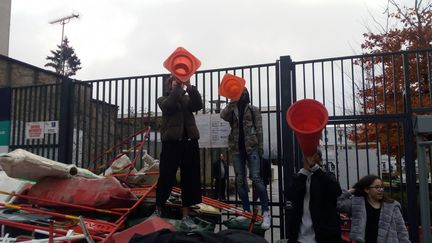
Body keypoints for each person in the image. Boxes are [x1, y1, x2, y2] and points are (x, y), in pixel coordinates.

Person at [153, 75, 203, 231]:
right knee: (166, 176)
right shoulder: (163, 99)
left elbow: (198, 104)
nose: (177, 81)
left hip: (189, 142)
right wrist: (177, 89)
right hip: (171, 143)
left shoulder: (187, 99)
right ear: (169, 85)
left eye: (179, 79)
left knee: (189, 178)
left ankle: (186, 215)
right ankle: (158, 210)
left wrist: (190, 87)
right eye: (174, 80)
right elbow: (169, 107)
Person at [220, 87, 271, 230]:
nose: (242, 95)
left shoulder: (253, 110)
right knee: (239, 179)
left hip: (252, 148)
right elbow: (223, 115)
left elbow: (259, 129)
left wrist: (260, 149)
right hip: (237, 149)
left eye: (244, 93)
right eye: (240, 93)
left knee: (256, 178)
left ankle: (266, 212)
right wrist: (232, 102)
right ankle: (246, 210)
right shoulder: (233, 109)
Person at [285, 149, 342, 243]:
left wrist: (315, 168)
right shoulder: (299, 177)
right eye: (305, 157)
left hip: (324, 236)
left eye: (310, 156)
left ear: (318, 158)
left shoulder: (327, 176)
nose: (307, 159)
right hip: (299, 237)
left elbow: (336, 191)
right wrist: (304, 174)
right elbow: (290, 195)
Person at [337, 175, 410, 243]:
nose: (381, 190)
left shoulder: (392, 206)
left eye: (382, 187)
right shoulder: (357, 204)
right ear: (367, 189)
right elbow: (337, 203)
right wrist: (351, 191)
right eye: (377, 187)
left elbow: (401, 231)